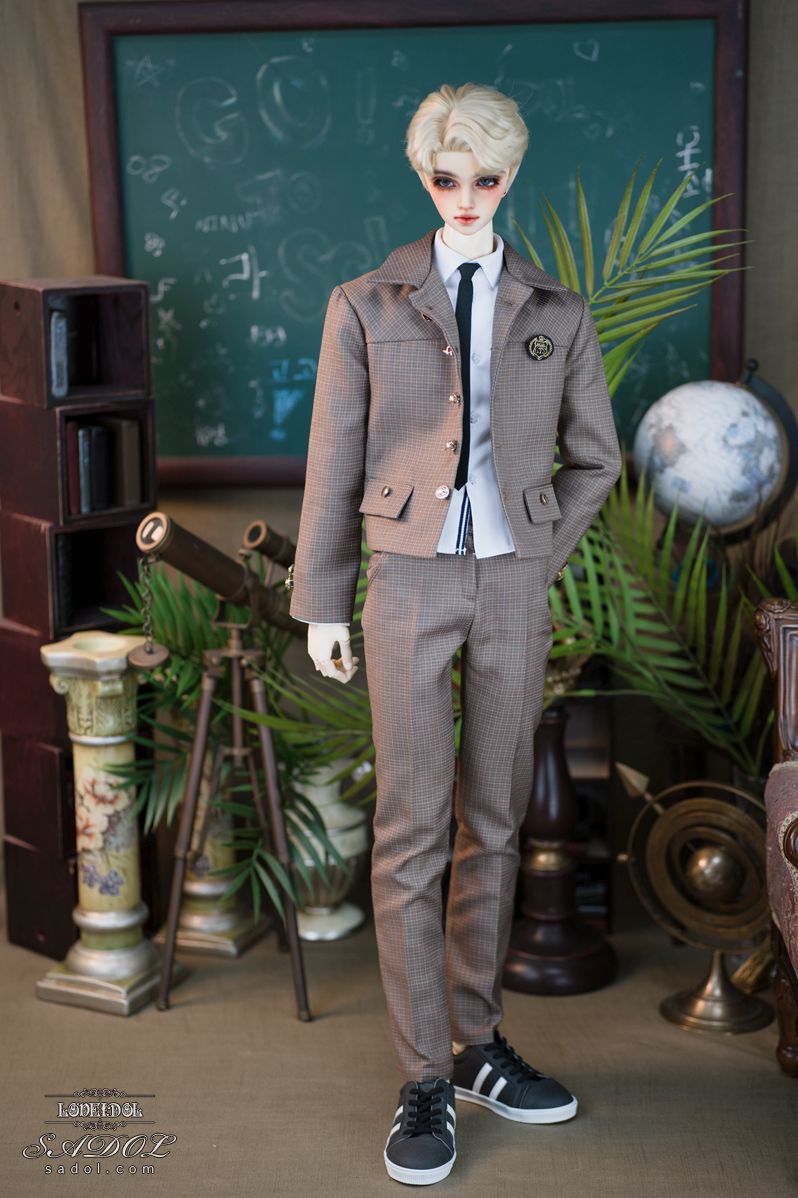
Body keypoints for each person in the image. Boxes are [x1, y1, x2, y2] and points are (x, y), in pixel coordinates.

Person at [289, 82, 622, 1186]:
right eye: (447, 176)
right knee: (410, 827)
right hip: (406, 580)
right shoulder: (367, 303)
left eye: (485, 177)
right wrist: (323, 600)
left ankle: (477, 1046)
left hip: (512, 583)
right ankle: (423, 1075)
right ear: (422, 176)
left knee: (496, 815)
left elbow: (597, 458)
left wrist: (536, 548)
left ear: (511, 177)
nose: (466, 195)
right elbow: (333, 459)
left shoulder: (558, 310)